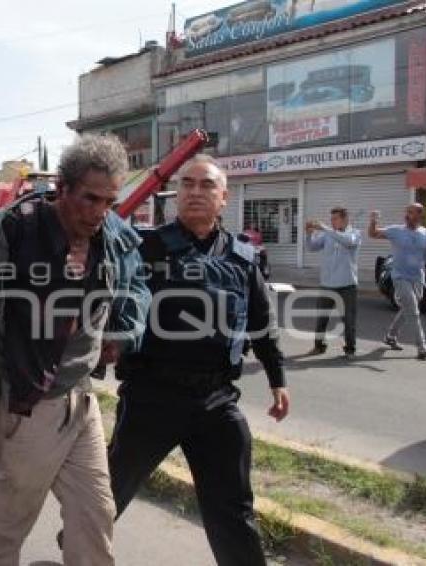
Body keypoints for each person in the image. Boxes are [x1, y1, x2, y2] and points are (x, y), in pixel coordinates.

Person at [0, 134, 150, 566]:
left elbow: (136, 282)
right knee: (2, 535)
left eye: (108, 202)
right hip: (25, 409)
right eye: (89, 199)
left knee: (96, 518)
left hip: (82, 406)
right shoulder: (10, 230)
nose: (98, 213)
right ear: (62, 188)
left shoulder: (112, 234)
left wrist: (123, 330)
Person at [108, 155, 290, 566]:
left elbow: (261, 322)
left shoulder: (242, 258)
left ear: (223, 197)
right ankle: (78, 555)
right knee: (108, 496)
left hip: (216, 400)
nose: (194, 192)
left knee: (234, 509)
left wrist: (278, 380)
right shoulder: (146, 248)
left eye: (206, 185)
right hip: (151, 397)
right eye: (186, 184)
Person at [369, 204, 426, 360]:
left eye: (411, 212)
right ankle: (422, 347)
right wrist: (373, 221)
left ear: (419, 215)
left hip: (418, 278)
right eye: (406, 212)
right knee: (414, 310)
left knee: (408, 308)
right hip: (400, 277)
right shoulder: (396, 230)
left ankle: (390, 335)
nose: (407, 215)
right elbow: (374, 234)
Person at [305, 207, 361, 359]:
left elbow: (347, 242)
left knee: (348, 320)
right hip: (327, 284)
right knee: (322, 317)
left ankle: (350, 349)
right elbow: (311, 247)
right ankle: (319, 346)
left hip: (347, 285)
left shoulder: (355, 234)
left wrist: (324, 227)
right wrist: (308, 234)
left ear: (345, 219)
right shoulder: (327, 235)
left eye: (335, 218)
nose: (332, 221)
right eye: (331, 219)